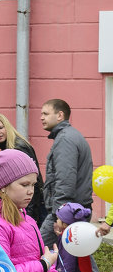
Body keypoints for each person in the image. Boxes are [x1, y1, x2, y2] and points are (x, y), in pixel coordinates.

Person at [0, 112, 46, 224]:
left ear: (7, 127)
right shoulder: (10, 148)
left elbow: (32, 183)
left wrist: (28, 215)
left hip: (32, 208)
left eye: (1, 127)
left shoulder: (17, 148)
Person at [40, 99, 93, 237]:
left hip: (67, 212)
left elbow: (65, 179)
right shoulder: (70, 136)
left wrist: (61, 216)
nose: (41, 117)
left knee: (39, 248)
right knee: (77, 255)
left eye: (45, 113)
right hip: (74, 210)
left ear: (60, 115)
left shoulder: (65, 139)